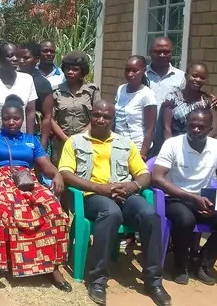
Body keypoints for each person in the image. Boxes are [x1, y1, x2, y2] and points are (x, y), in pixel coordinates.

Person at [58, 99, 171, 306]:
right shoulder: (74, 142)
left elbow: (144, 174)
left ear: (113, 119)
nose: (101, 120)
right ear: (91, 117)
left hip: (124, 194)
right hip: (90, 197)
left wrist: (133, 187)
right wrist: (99, 188)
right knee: (111, 213)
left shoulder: (124, 143)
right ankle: (98, 280)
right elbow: (65, 173)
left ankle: (153, 280)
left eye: (106, 117)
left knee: (150, 215)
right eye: (97, 115)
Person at [0, 95, 70, 292]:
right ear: (2, 119)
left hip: (27, 181)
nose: (12, 122)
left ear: (22, 119)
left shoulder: (31, 140)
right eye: (7, 118)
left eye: (16, 118)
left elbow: (46, 166)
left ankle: (52, 266)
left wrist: (58, 175)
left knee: (53, 208)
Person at [152, 108, 217, 286]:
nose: (196, 130)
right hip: (174, 197)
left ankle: (202, 262)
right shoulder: (173, 144)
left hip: (204, 199)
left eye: (201, 127)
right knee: (185, 220)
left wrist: (215, 197)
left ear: (209, 128)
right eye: (192, 126)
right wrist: (192, 197)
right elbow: (157, 177)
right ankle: (180, 266)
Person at [51, 51, 101, 165]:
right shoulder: (56, 92)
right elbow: (50, 119)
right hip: (62, 142)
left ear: (82, 71)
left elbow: (97, 116)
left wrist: (81, 136)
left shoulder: (92, 91)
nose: (70, 72)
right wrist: (66, 139)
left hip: (87, 140)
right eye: (67, 69)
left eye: (75, 69)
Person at [0, 41, 37, 133]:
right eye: (10, 56)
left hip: (22, 139)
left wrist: (29, 139)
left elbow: (30, 113)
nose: (15, 59)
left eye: (17, 55)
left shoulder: (27, 79)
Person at [161, 62, 217, 140]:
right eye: (194, 76)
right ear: (186, 76)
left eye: (202, 77)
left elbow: (215, 130)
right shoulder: (171, 98)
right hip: (176, 147)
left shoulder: (208, 101)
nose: (198, 80)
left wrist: (197, 144)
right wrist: (172, 148)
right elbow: (166, 128)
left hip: (199, 146)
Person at [114, 55, 157, 159]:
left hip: (136, 149)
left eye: (134, 71)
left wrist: (143, 153)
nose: (130, 74)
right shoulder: (121, 89)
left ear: (143, 70)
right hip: (118, 146)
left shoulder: (147, 94)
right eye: (127, 70)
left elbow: (150, 129)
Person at [17, 41, 54, 149]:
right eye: (19, 57)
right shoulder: (12, 79)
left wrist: (43, 144)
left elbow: (47, 116)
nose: (21, 61)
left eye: (26, 58)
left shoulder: (42, 84)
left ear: (37, 59)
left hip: (33, 136)